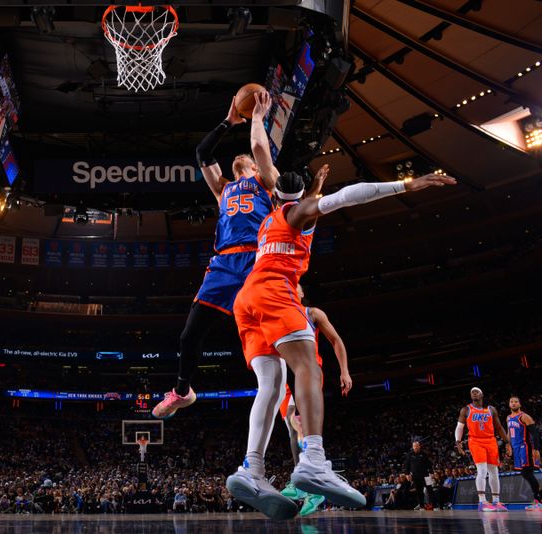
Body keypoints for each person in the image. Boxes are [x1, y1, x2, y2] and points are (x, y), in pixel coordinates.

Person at [226, 91, 456, 519]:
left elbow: (260, 149)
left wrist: (258, 117)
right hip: (276, 291)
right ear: (304, 197)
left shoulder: (272, 211)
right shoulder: (300, 213)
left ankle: (252, 468)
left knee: (270, 386)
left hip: (246, 300)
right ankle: (313, 458)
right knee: (309, 368)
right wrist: (408, 183)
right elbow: (352, 196)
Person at [152, 92, 309, 419]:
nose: (240, 157)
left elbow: (259, 148)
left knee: (276, 332)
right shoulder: (222, 188)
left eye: (247, 159)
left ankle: (290, 399)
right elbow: (202, 153)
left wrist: (257, 118)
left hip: (257, 260)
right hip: (223, 263)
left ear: (255, 168)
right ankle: (183, 391)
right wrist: (228, 121)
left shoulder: (267, 182)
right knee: (190, 333)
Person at [279, 283, 353, 516]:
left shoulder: (313, 313)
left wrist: (344, 371)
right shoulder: (278, 313)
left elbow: (336, 340)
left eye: (296, 285)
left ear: (301, 293)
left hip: (307, 371)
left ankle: (313, 479)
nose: (291, 287)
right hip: (284, 379)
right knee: (292, 432)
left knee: (297, 421)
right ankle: (307, 486)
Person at [455, 387, 510, 512]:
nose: (474, 393)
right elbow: (459, 427)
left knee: (494, 471)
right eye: (472, 392)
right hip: (475, 440)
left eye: (477, 392)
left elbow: (499, 427)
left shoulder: (491, 409)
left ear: (482, 394)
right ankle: (482, 502)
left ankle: (496, 501)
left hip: (490, 440)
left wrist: (507, 442)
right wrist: (458, 442)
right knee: (482, 469)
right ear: (471, 396)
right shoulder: (466, 409)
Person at [506, 396, 542, 510]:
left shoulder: (524, 416)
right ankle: (538, 499)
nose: (513, 403)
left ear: (520, 404)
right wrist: (508, 445)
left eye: (516, 402)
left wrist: (536, 449)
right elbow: (509, 433)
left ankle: (539, 500)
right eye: (511, 402)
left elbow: (535, 434)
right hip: (516, 448)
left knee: (527, 472)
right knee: (526, 473)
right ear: (509, 404)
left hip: (525, 447)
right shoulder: (508, 418)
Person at [403, 441, 433, 510]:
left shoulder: (424, 454)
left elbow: (429, 464)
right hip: (415, 476)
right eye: (414, 446)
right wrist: (407, 474)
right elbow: (406, 465)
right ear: (413, 447)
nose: (416, 447)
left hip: (426, 475)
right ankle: (422, 506)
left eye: (417, 446)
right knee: (419, 491)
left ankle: (433, 505)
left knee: (430, 490)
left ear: (419, 446)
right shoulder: (409, 455)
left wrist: (431, 472)